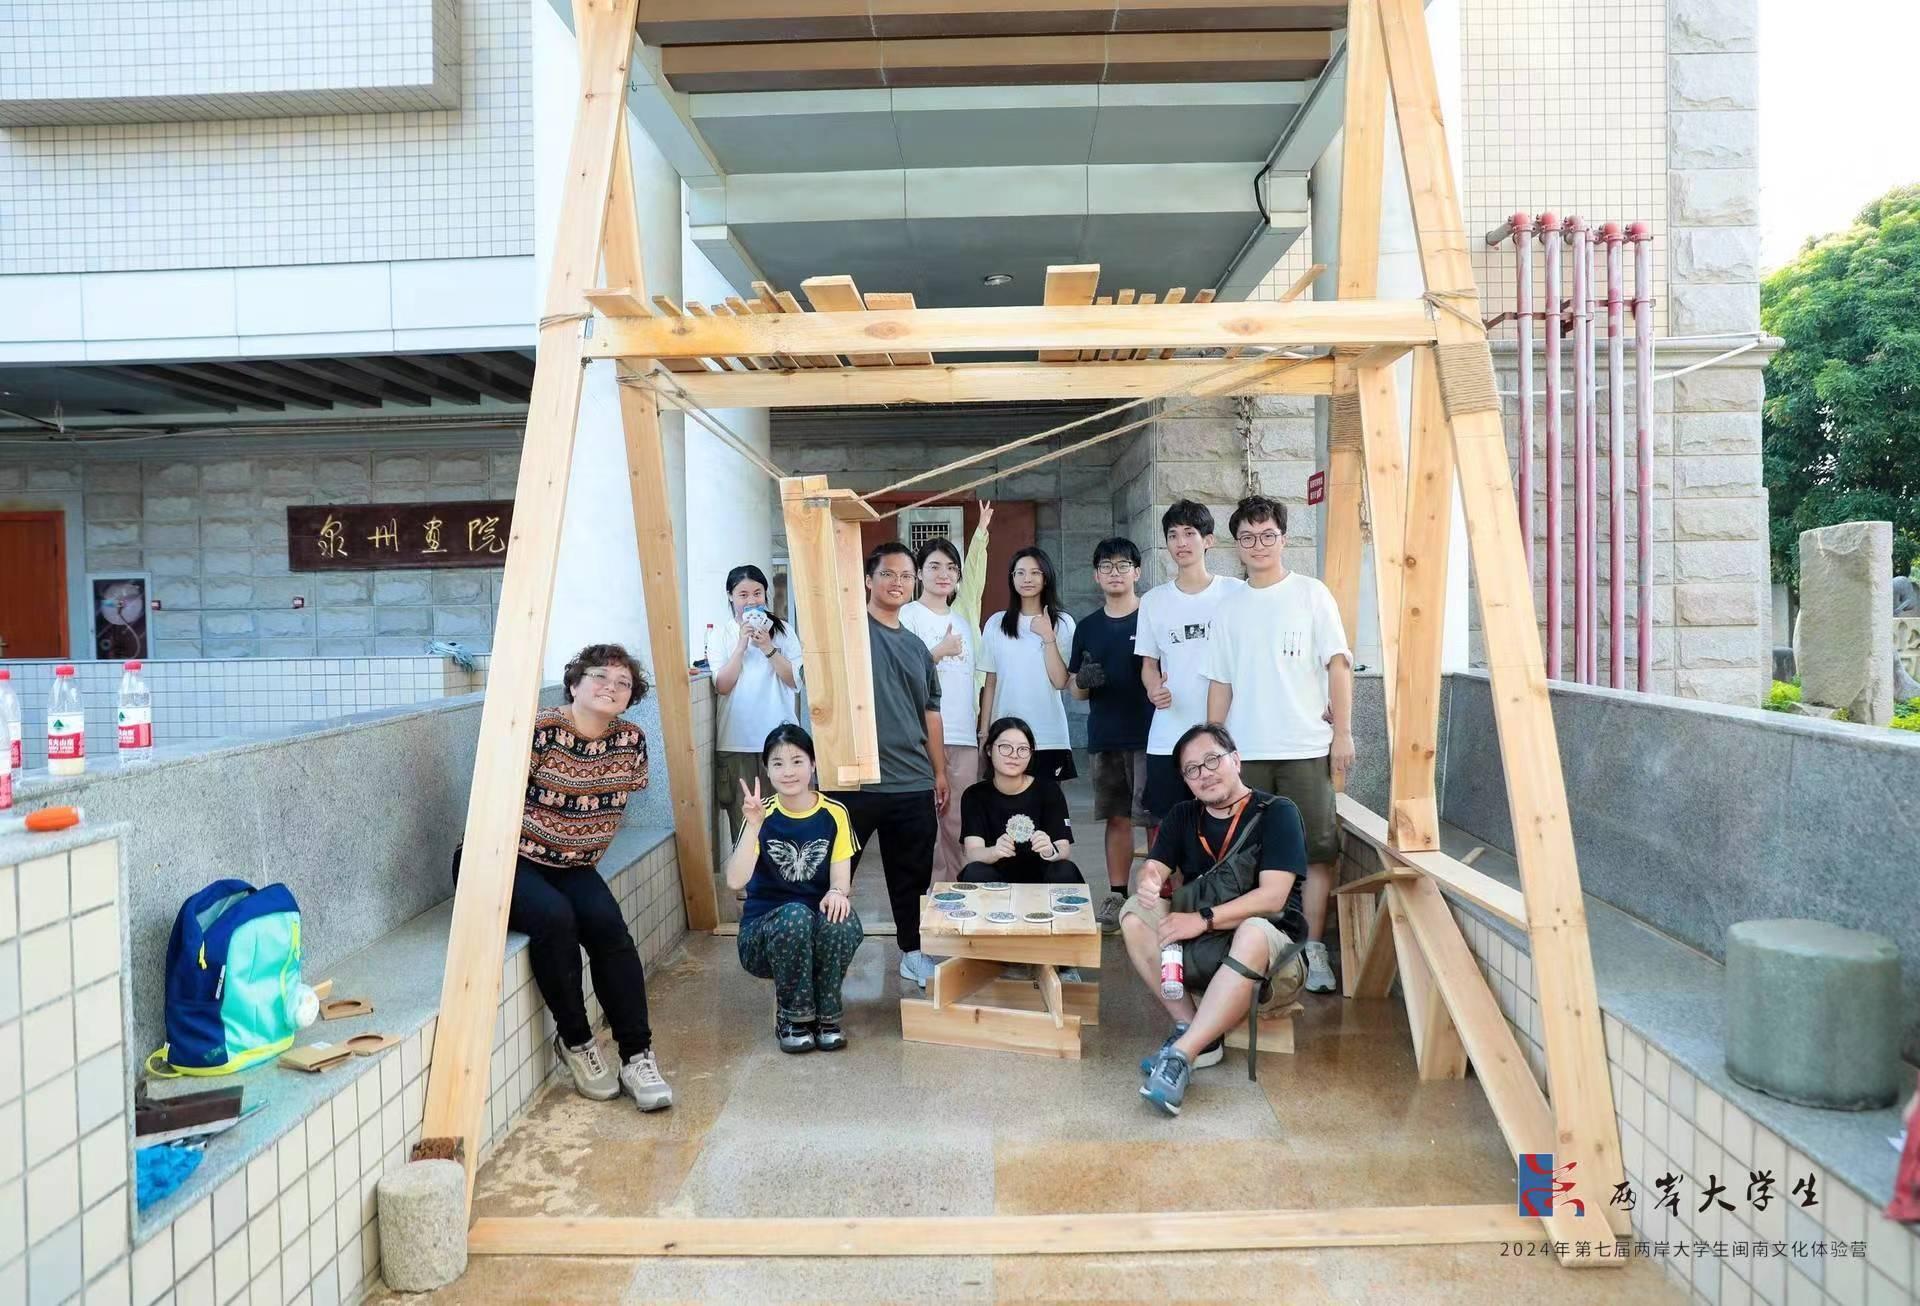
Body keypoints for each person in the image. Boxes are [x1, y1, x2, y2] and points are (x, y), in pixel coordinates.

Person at [453, 643, 672, 1111]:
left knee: (610, 929)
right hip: (500, 859)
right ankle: (577, 1042)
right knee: (555, 919)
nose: (611, 687)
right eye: (600, 676)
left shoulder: (631, 740)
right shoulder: (540, 729)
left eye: (623, 683)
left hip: (571, 864)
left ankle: (637, 1056)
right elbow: (493, 797)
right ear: (573, 683)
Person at [1203, 495, 1354, 996]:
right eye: (1247, 537)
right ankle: (1258, 950)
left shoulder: (1312, 594)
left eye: (1268, 535)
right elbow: (1220, 683)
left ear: (1284, 538)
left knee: (1315, 851)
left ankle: (1312, 947)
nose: (1259, 545)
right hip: (1245, 752)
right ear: (1236, 545)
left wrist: (1343, 733)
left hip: (1305, 747)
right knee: (1248, 854)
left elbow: (1338, 664)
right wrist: (1210, 750)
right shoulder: (1229, 606)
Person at [1120, 724, 1308, 1117]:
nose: (1204, 774)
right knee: (1134, 914)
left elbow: (1273, 897)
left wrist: (1202, 919)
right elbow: (1154, 867)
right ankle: (1195, 1031)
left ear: (1235, 760)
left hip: (1273, 960)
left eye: (1212, 760)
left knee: (1253, 931)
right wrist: (1149, 881)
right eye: (1192, 770)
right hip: (1207, 950)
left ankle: (1182, 1054)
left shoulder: (1278, 812)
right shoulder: (1183, 815)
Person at [829, 541, 948, 990]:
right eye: (887, 574)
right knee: (834, 877)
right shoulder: (848, 635)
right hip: (852, 783)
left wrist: (939, 772)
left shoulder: (917, 648)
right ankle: (825, 957)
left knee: (912, 877)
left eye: (905, 576)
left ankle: (913, 954)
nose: (897, 583)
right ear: (868, 580)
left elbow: (931, 714)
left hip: (912, 781)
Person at [723, 724, 864, 1054]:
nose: (788, 772)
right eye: (778, 763)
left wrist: (836, 893)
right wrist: (754, 825)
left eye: (797, 761)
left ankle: (827, 1018)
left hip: (816, 932)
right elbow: (734, 881)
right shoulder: (761, 813)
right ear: (767, 769)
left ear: (813, 764)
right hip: (764, 938)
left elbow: (840, 882)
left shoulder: (834, 813)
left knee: (839, 919)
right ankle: (793, 1018)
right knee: (796, 915)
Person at [1135, 500, 1245, 838]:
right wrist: (1153, 688)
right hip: (1168, 736)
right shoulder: (1153, 600)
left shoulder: (1235, 592)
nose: (1181, 542)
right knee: (1169, 829)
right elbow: (1148, 664)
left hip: (1225, 736)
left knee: (1225, 828)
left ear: (1208, 540)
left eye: (1189, 533)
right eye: (1173, 535)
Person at [900, 502, 994, 879]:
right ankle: (932, 897)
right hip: (920, 736)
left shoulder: (964, 618)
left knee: (960, 822)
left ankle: (961, 890)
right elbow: (898, 674)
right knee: (926, 824)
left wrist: (981, 533)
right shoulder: (906, 616)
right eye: (935, 566)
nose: (944, 574)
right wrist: (937, 652)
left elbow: (976, 578)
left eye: (951, 568)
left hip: (963, 735)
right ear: (919, 572)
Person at [1066, 537, 1155, 934]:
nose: (1114, 573)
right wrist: (1083, 682)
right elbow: (1075, 689)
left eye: (1122, 566)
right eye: (1106, 566)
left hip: (1152, 736)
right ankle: (1117, 895)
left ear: (1137, 572)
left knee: (1154, 821)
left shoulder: (1152, 617)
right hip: (1106, 736)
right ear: (1095, 575)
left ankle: (1158, 895)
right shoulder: (1087, 627)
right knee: (1116, 819)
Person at [707, 564, 803, 844]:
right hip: (736, 743)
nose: (751, 601)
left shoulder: (784, 631)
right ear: (730, 596)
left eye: (757, 593)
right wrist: (741, 646)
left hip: (781, 740)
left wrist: (767, 647)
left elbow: (794, 681)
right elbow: (722, 685)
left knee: (784, 823)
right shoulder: (721, 634)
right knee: (744, 826)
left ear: (765, 595)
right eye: (743, 595)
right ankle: (747, 874)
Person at [979, 547, 1076, 780]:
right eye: (1020, 573)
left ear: (1046, 577)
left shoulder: (1062, 622)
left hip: (1048, 735)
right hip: (1004, 735)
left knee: (1047, 801)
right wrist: (984, 732)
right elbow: (990, 683)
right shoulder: (996, 623)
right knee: (1004, 800)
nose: (1027, 579)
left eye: (1035, 572)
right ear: (1012, 578)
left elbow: (1061, 681)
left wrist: (1048, 637)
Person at [959, 717, 1083, 886]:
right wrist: (994, 851)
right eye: (1005, 747)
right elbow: (973, 852)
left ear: (1031, 753)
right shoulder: (974, 795)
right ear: (989, 749)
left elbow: (1063, 847)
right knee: (975, 871)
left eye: (1023, 749)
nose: (1014, 755)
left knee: (1064, 870)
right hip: (995, 878)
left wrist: (1050, 851)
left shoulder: (1048, 790)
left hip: (1041, 876)